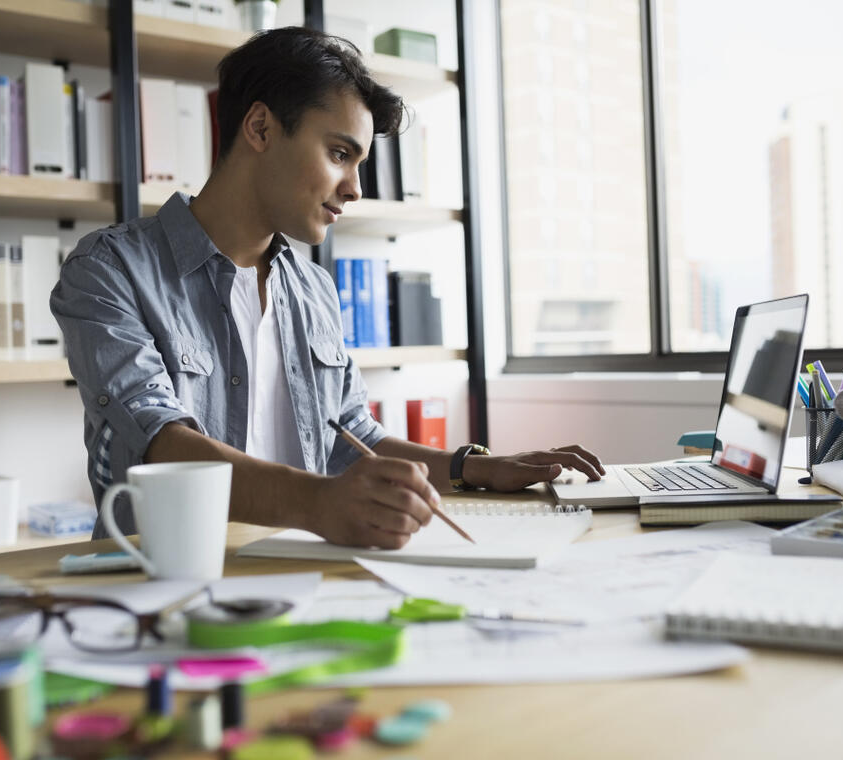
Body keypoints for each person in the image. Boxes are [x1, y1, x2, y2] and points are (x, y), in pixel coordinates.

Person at [50, 27, 604, 548]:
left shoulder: (313, 287)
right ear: (260, 128)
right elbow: (163, 446)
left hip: (305, 571)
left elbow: (351, 436)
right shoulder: (108, 268)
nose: (356, 189)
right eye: (340, 154)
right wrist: (322, 504)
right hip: (157, 582)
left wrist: (472, 467)